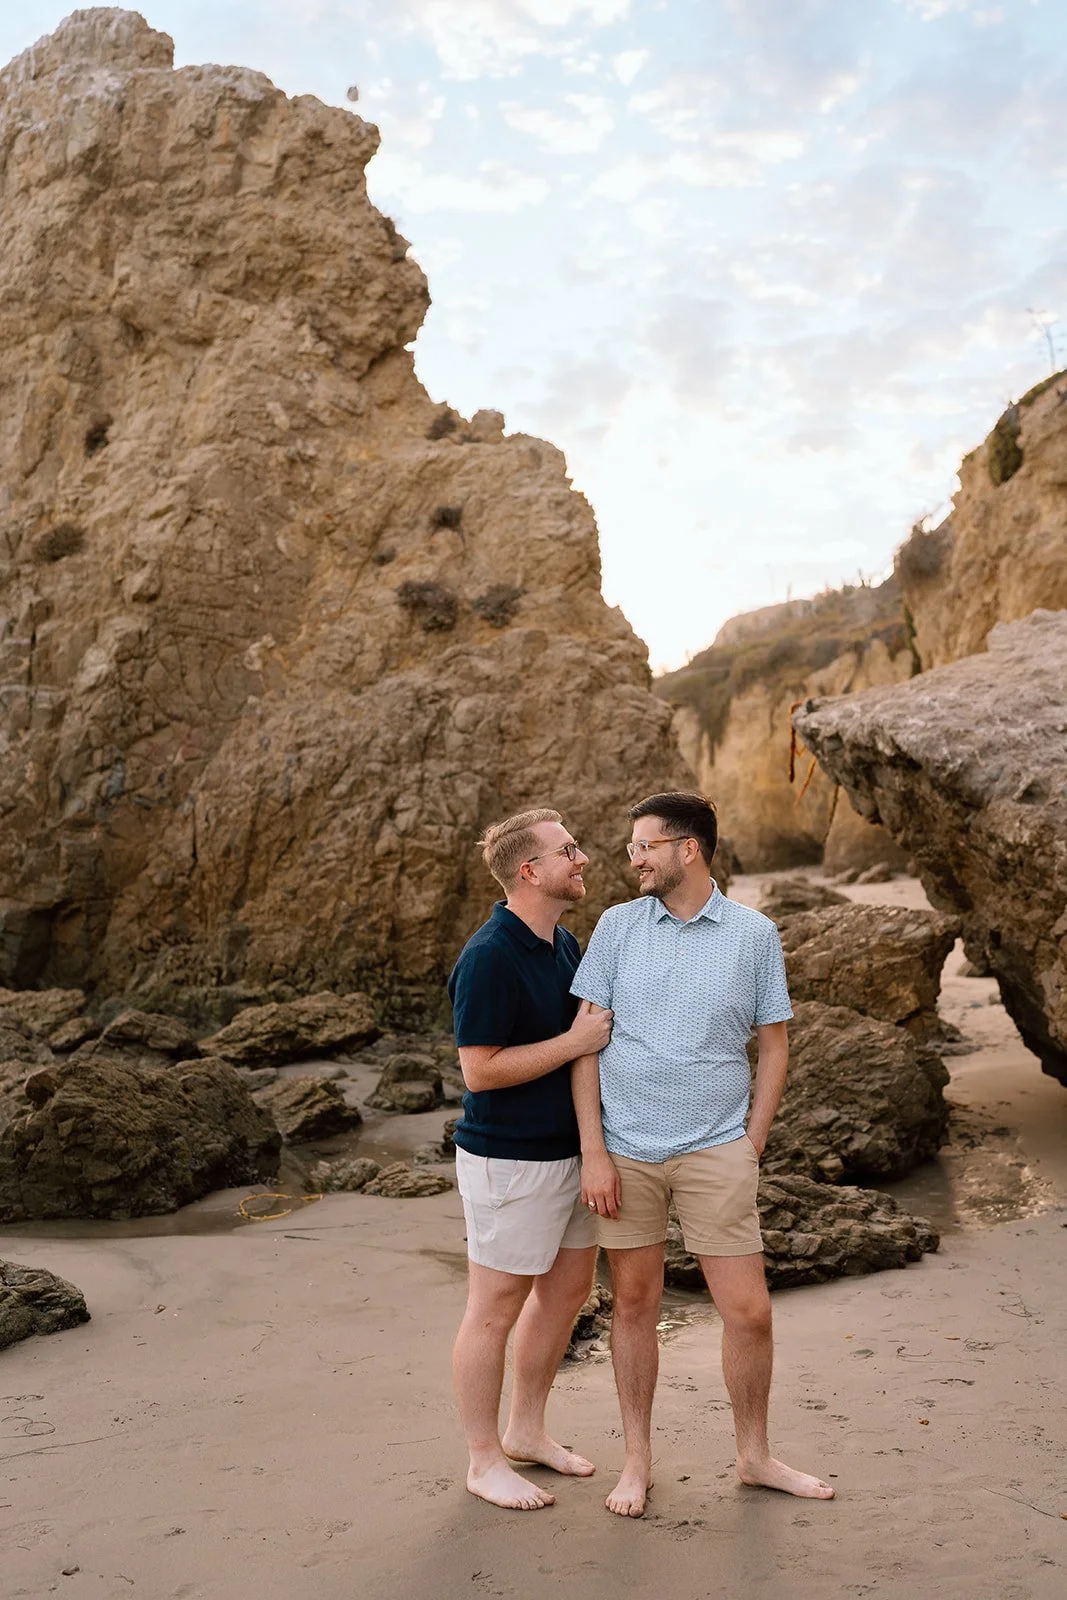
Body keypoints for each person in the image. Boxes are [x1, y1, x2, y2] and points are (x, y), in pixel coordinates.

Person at [570, 791, 834, 1517]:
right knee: (633, 1303)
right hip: (625, 1150)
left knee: (748, 1312)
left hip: (717, 1148)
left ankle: (753, 1456)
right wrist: (593, 1150)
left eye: (644, 845)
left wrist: (752, 1140)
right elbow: (585, 1044)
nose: (632, 858)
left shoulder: (753, 935)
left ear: (688, 849)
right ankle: (637, 1462)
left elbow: (773, 1044)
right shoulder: (616, 927)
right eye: (631, 847)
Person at [449, 808, 614, 1512]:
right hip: (508, 1164)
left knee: (566, 1294)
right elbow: (479, 1071)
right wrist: (574, 1045)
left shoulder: (563, 943)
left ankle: (525, 1430)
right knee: (492, 1312)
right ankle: (483, 1461)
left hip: (569, 1156)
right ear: (529, 870)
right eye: (566, 850)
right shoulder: (489, 955)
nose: (581, 859)